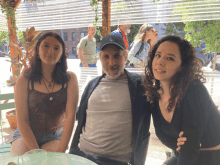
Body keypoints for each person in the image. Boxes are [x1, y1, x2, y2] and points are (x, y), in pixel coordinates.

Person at [69, 35, 186, 165]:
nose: (112, 62)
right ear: (100, 58)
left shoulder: (140, 85)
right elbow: (79, 116)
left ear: (125, 56)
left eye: (117, 56)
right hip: (81, 156)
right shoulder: (92, 85)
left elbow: (163, 111)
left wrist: (183, 136)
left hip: (116, 161)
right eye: (106, 57)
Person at [143, 35, 220, 165]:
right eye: (158, 55)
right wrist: (181, 144)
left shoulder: (194, 89)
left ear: (182, 66)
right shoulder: (155, 95)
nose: (160, 61)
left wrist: (185, 144)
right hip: (183, 155)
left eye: (170, 58)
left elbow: (190, 147)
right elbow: (179, 145)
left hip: (212, 157)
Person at [11, 32, 79, 155]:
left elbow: (70, 118)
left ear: (62, 54)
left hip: (55, 136)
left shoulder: (70, 79)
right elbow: (22, 121)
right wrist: (37, 154)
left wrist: (61, 150)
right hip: (26, 133)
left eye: (56, 48)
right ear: (37, 49)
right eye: (46, 46)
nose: (51, 51)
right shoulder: (24, 79)